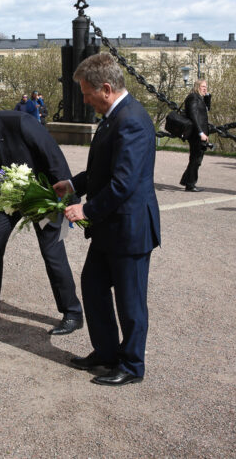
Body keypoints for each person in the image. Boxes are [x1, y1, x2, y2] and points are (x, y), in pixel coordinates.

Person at [53, 53, 161, 386]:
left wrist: (85, 210)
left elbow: (124, 183)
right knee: (94, 287)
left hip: (129, 230)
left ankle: (131, 366)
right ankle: (105, 353)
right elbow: (104, 170)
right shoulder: (116, 116)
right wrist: (73, 184)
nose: (85, 100)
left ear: (107, 88)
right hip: (110, 229)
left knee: (130, 303)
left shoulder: (132, 120)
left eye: (87, 93)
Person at [0, 91, 84, 335]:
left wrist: (69, 202)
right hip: (9, 196)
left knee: (52, 251)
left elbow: (54, 159)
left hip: (43, 194)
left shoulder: (20, 123)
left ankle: (72, 313)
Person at [179, 79, 211, 192]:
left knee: (196, 158)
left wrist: (207, 97)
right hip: (196, 134)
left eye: (206, 86)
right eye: (203, 86)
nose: (205, 88)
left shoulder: (199, 98)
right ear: (197, 87)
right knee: (196, 159)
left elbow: (207, 110)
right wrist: (200, 133)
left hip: (200, 133)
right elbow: (193, 116)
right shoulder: (193, 98)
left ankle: (186, 180)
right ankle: (190, 184)